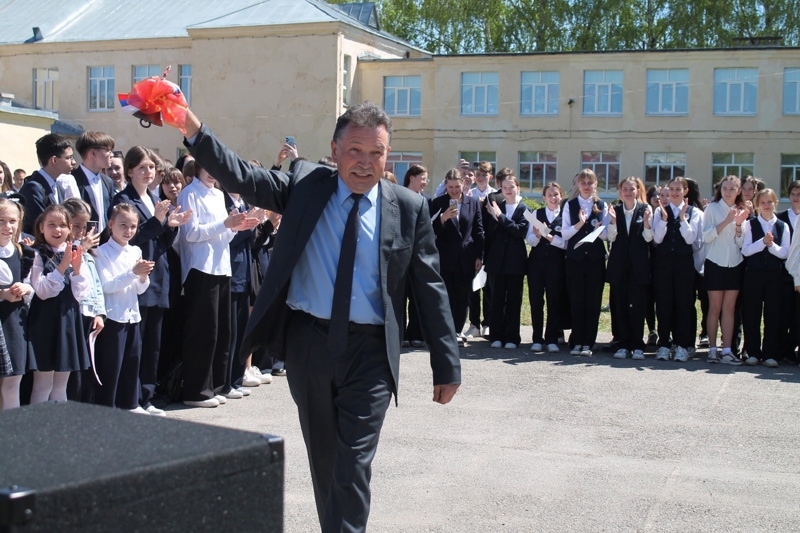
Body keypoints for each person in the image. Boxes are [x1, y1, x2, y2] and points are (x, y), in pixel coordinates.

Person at [176, 100, 460, 533]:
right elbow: (243, 175)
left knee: (352, 467)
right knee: (327, 463)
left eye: (377, 153)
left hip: (371, 354)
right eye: (355, 151)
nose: (365, 164)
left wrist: (447, 362)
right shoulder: (307, 184)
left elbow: (430, 286)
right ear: (335, 149)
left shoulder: (408, 208)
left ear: (388, 156)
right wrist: (191, 127)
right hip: (309, 345)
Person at [110, 147, 191, 415]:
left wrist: (171, 225)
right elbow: (130, 237)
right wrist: (158, 221)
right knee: (137, 344)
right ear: (130, 170)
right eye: (142, 167)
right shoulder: (124, 200)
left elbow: (161, 243)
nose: (148, 172)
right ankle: (130, 398)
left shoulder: (153, 198)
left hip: (158, 275)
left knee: (153, 345)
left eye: (152, 168)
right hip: (135, 277)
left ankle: (146, 396)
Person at [176, 160, 259, 408]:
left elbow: (223, 233)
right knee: (204, 332)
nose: (213, 174)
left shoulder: (217, 194)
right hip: (200, 268)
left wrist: (238, 226)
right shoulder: (189, 193)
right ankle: (196, 390)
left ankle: (218, 385)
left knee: (223, 330)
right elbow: (190, 233)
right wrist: (225, 224)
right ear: (198, 168)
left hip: (221, 267)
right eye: (208, 167)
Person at [27, 204, 91, 403]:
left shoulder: (75, 251)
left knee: (61, 385)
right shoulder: (36, 254)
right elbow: (43, 291)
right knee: (43, 384)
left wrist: (77, 270)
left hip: (67, 323)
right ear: (41, 228)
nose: (57, 230)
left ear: (70, 228)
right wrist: (62, 267)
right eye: (51, 225)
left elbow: (81, 293)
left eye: (62, 225)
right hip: (44, 323)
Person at [94, 203, 154, 412]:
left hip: (132, 314)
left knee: (132, 361)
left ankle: (130, 404)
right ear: (111, 224)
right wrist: (132, 273)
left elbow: (139, 289)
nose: (128, 231)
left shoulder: (135, 250)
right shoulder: (101, 252)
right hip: (113, 316)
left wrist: (143, 275)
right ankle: (107, 407)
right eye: (123, 225)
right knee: (111, 366)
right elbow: (106, 286)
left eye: (133, 226)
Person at [652, 177, 704, 363]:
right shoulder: (659, 211)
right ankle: (664, 344)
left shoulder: (694, 212)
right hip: (663, 265)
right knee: (664, 305)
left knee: (684, 305)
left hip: (684, 265)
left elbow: (691, 240)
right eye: (671, 189)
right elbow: (656, 239)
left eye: (678, 189)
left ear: (685, 191)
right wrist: (665, 220)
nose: (674, 193)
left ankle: (682, 345)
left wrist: (682, 219)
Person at [430, 168, 484, 345]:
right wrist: (443, 219)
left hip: (467, 258)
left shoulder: (473, 202)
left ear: (463, 184)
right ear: (445, 185)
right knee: (446, 296)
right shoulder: (438, 202)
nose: (454, 190)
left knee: (462, 296)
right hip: (445, 258)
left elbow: (478, 231)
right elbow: (429, 232)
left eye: (457, 186)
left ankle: (458, 331)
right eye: (450, 186)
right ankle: (445, 331)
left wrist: (479, 256)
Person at [62, 197, 105, 404]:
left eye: (83, 226)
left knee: (89, 366)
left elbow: (96, 284)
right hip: (73, 314)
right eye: (75, 225)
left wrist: (99, 312)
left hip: (89, 313)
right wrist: (82, 249)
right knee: (74, 369)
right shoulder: (66, 249)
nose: (80, 230)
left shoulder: (89, 253)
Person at [702, 175, 748, 365]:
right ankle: (712, 349)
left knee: (729, 309)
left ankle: (727, 350)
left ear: (738, 191)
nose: (728, 192)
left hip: (735, 264)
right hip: (715, 263)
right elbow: (706, 236)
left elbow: (741, 242)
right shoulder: (712, 209)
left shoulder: (741, 210)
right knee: (715, 308)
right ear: (720, 190)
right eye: (725, 188)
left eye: (732, 189)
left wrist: (738, 225)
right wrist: (728, 221)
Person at [562, 169, 609, 356]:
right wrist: (580, 224)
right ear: (578, 185)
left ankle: (588, 342)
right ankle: (577, 340)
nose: (587, 186)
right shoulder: (570, 205)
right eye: (583, 183)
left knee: (593, 301)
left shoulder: (602, 205)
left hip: (595, 260)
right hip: (575, 260)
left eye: (590, 183)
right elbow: (565, 234)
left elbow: (605, 236)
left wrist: (605, 225)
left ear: (595, 184)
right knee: (577, 300)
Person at [606, 177, 653, 360]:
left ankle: (638, 345)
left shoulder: (645, 210)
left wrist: (648, 223)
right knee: (621, 305)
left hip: (639, 266)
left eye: (631, 189)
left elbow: (649, 238)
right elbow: (610, 238)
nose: (628, 192)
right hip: (619, 266)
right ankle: (623, 344)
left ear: (638, 191)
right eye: (624, 189)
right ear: (620, 192)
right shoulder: (614, 210)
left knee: (638, 306)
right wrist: (612, 222)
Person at [740, 188, 788, 367]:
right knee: (752, 313)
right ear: (757, 206)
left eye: (770, 202)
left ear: (775, 203)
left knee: (773, 314)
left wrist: (771, 245)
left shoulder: (783, 226)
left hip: (775, 276)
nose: (766, 206)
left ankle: (770, 353)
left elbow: (784, 253)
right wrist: (763, 243)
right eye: (762, 203)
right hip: (754, 274)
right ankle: (753, 352)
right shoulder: (750, 225)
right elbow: (746, 250)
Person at [485, 173, 529, 349]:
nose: (508, 190)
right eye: (505, 188)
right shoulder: (496, 205)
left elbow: (519, 231)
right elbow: (490, 233)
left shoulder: (524, 209)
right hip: (497, 261)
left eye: (512, 187)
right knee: (496, 299)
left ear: (518, 188)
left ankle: (512, 337)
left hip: (515, 262)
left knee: (513, 300)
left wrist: (500, 217)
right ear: (501, 189)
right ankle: (497, 335)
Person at [0, 198, 34, 410]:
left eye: (12, 221)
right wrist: (3, 294)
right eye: (1, 220)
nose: (7, 226)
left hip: (14, 323)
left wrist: (25, 289)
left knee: (13, 380)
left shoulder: (22, 252)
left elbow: (32, 284)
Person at [526, 182, 566, 353]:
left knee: (554, 300)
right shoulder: (537, 213)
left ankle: (551, 338)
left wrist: (549, 237)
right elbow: (530, 240)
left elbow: (565, 243)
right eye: (549, 195)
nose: (553, 198)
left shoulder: (565, 215)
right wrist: (536, 236)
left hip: (556, 264)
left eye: (556, 194)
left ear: (561, 196)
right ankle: (537, 338)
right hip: (536, 263)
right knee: (536, 300)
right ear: (544, 197)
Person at [19, 133, 75, 235]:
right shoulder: (33, 188)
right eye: (68, 158)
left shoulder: (55, 184)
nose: (73, 162)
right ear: (54, 160)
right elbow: (39, 229)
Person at [466, 161, 495, 338]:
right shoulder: (470, 194)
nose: (481, 178)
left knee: (489, 287)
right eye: (478, 174)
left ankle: (488, 322)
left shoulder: (495, 195)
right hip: (473, 245)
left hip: (491, 245)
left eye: (484, 175)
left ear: (490, 177)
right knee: (473, 287)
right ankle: (474, 323)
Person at [401, 164, 429, 347]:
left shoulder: (426, 200)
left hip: (418, 255)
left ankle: (416, 333)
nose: (425, 182)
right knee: (400, 296)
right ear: (412, 177)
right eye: (423, 178)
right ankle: (401, 334)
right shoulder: (398, 196)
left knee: (417, 295)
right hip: (400, 254)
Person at [72, 131, 116, 232]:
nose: (112, 155)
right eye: (108, 150)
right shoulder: (73, 180)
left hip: (104, 243)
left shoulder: (107, 181)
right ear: (93, 153)